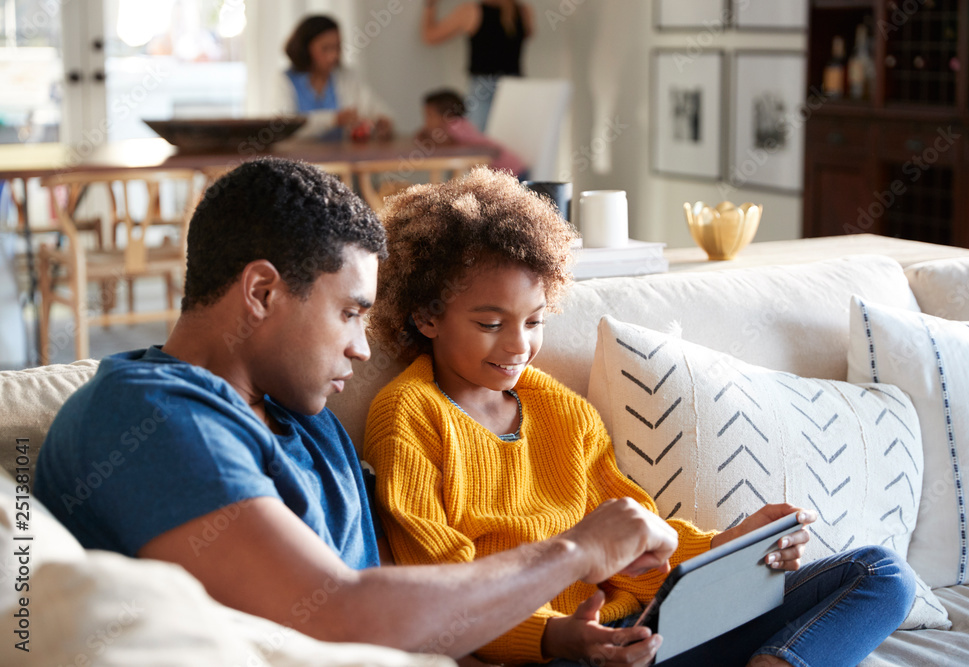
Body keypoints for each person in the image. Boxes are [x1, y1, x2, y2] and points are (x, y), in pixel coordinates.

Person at [33, 157, 680, 664]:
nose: (363, 346)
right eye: (350, 312)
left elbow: (414, 608)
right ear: (261, 291)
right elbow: (336, 616)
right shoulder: (148, 416)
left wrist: (559, 637)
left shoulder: (306, 418)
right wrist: (576, 551)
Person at [364, 167, 917, 667]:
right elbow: (444, 597)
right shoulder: (408, 416)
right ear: (426, 316)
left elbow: (641, 543)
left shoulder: (564, 411)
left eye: (534, 322)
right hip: (548, 650)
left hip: (642, 627)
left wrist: (733, 544)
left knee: (882, 575)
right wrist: (560, 638)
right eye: (490, 324)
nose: (518, 344)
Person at [422, 0, 533, 131]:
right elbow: (529, 33)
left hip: (483, 88)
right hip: (516, 86)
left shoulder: (471, 11)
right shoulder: (524, 12)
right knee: (515, 139)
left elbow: (430, 37)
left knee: (478, 143)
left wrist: (430, 5)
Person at [280, 15, 394, 140]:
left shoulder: (346, 77)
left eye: (337, 47)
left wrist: (382, 122)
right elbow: (286, 127)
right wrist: (333, 119)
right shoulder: (285, 80)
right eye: (325, 48)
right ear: (306, 49)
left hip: (341, 157)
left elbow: (377, 109)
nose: (333, 56)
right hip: (297, 157)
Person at [419, 88, 528, 179]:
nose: (426, 121)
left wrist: (428, 134)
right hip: (506, 172)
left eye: (429, 115)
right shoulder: (456, 126)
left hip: (511, 173)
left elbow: (448, 143)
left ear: (447, 115)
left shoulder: (456, 125)